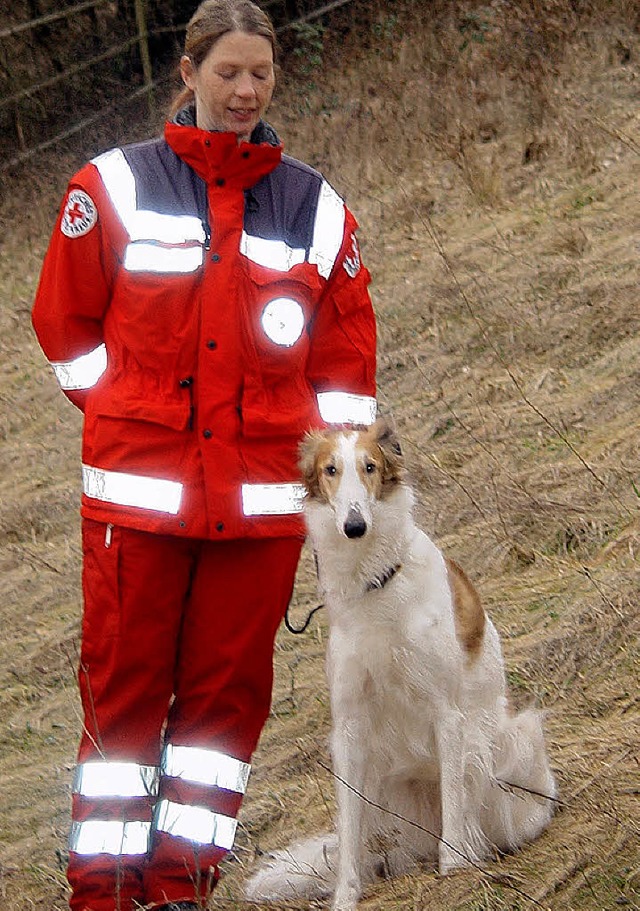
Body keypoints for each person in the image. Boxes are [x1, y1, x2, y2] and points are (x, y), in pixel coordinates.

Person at [31, 1, 377, 909]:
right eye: (227, 71)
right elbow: (64, 329)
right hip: (138, 505)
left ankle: (184, 885)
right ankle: (104, 890)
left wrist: (336, 485)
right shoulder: (109, 187)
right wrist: (126, 409)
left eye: (260, 73)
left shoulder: (315, 207)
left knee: (225, 710)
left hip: (260, 511)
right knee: (126, 697)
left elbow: (345, 365)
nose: (245, 90)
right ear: (186, 73)